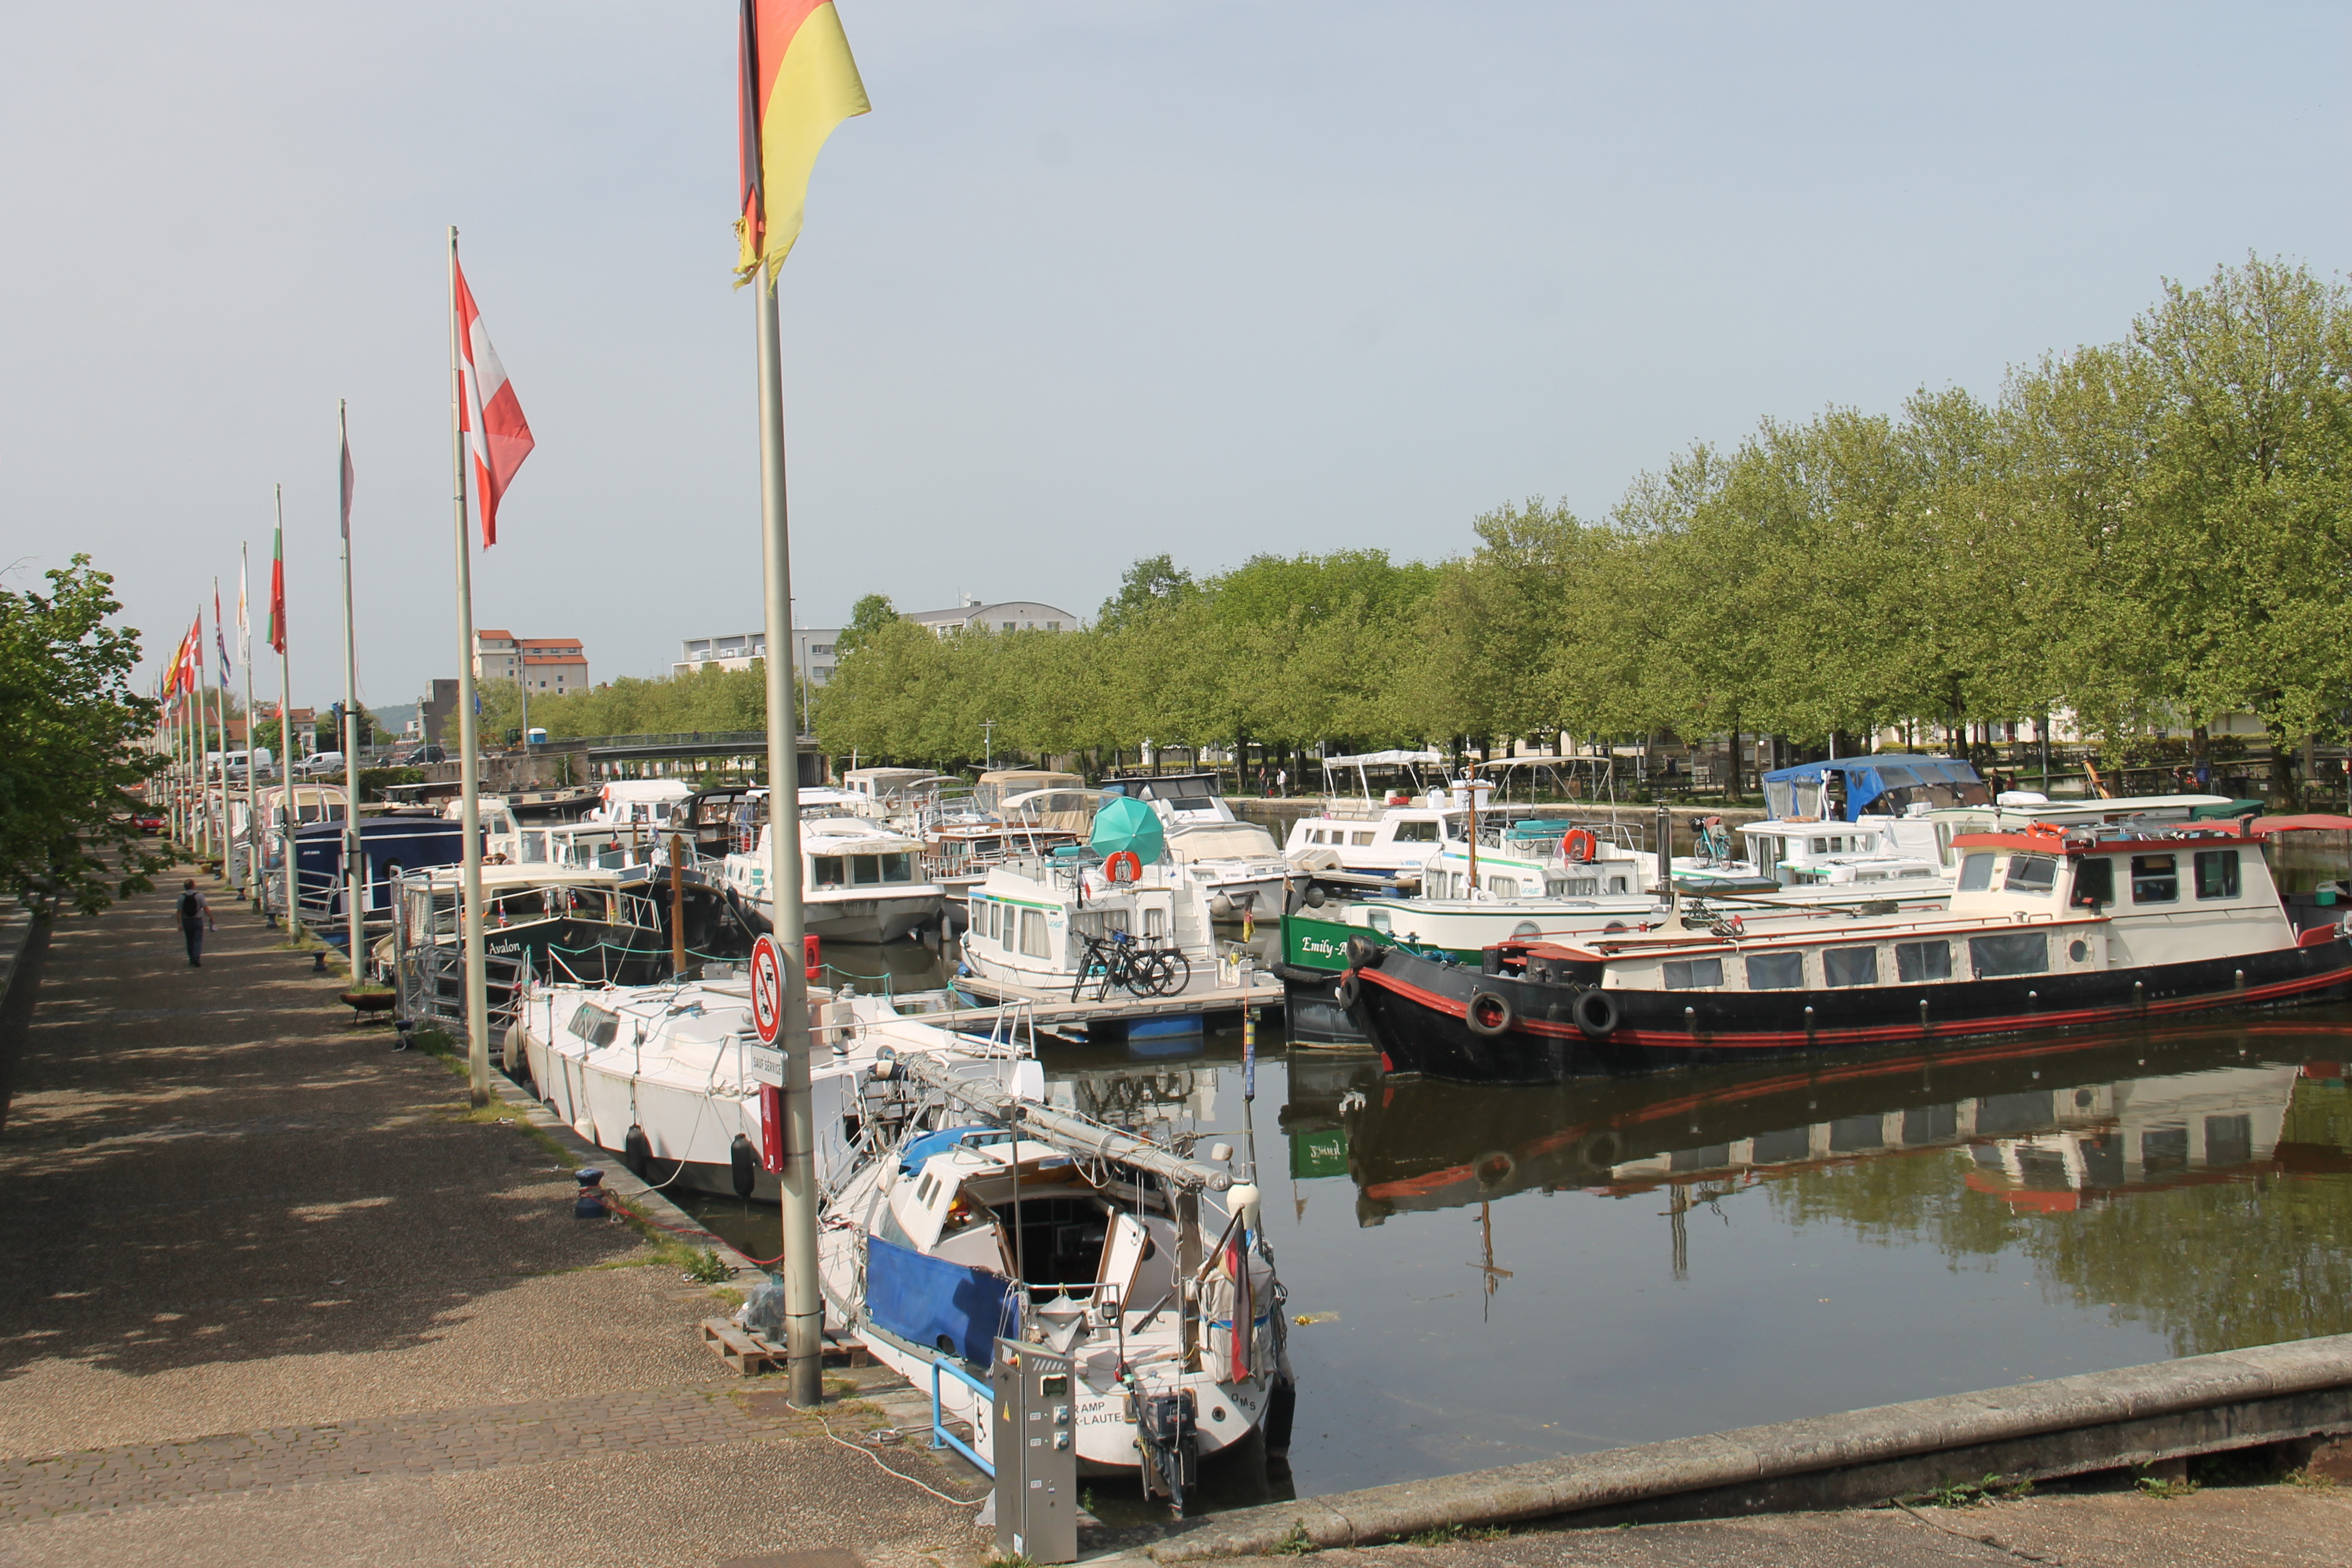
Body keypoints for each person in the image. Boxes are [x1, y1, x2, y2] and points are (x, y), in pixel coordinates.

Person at [176, 879, 214, 967]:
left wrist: (179, 924)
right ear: (194, 886)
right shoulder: (200, 896)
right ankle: (197, 957)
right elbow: (205, 908)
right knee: (198, 940)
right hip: (197, 920)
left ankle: (191, 958)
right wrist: (211, 917)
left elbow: (179, 911)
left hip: (186, 921)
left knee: (189, 940)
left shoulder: (181, 897)